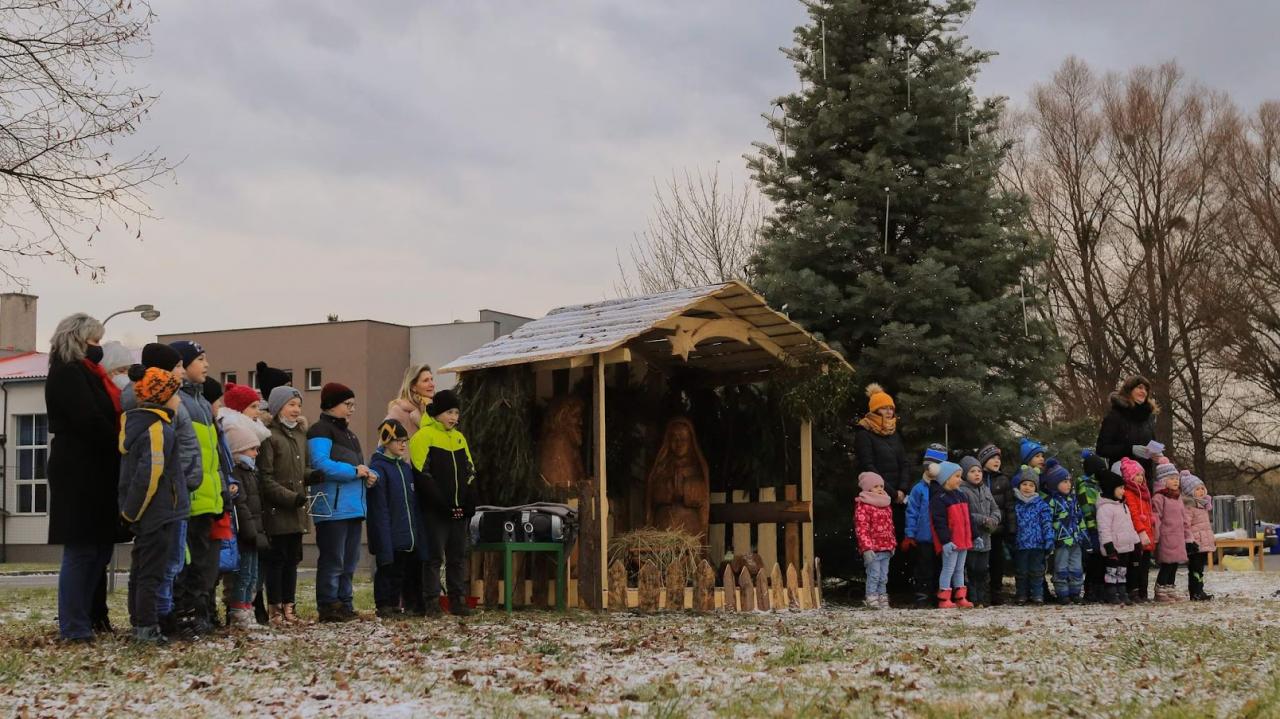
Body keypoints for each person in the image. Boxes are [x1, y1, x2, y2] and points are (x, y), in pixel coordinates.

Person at [46, 314, 124, 642]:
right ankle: (74, 626)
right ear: (77, 340)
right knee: (81, 549)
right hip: (78, 469)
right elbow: (88, 418)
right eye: (94, 341)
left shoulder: (90, 372)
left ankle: (89, 618)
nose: (98, 347)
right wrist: (121, 442)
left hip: (98, 467)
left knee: (99, 549)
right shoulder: (67, 372)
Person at [123, 343, 196, 637]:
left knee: (142, 571)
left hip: (154, 512)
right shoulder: (157, 430)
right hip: (158, 513)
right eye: (175, 395)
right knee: (151, 573)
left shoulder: (149, 425)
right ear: (162, 397)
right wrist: (132, 512)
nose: (179, 400)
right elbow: (149, 476)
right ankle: (146, 626)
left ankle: (140, 622)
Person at [168, 340, 227, 637]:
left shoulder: (202, 402)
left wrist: (222, 490)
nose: (206, 365)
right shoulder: (178, 401)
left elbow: (214, 455)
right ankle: (184, 616)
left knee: (203, 564)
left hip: (208, 497)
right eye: (200, 359)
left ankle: (201, 615)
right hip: (190, 496)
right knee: (187, 563)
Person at [308, 382, 375, 622]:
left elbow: (355, 467)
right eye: (347, 404)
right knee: (333, 559)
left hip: (352, 507)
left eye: (353, 404)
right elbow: (320, 463)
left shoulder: (350, 435)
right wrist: (354, 471)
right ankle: (328, 604)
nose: (352, 409)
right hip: (331, 507)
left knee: (349, 561)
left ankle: (345, 603)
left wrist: (367, 474)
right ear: (331, 404)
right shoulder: (320, 430)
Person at [409, 389, 476, 617]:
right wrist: (442, 504)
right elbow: (422, 475)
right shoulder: (423, 437)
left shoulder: (459, 438)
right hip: (435, 511)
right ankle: (431, 601)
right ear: (437, 412)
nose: (454, 417)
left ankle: (458, 600)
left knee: (457, 557)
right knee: (434, 557)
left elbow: (470, 471)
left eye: (456, 412)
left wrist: (467, 502)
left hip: (458, 510)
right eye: (449, 412)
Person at [852, 384, 912, 597]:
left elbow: (904, 462)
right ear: (875, 410)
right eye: (885, 408)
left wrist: (902, 489)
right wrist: (891, 492)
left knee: (894, 541)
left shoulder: (894, 433)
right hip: (877, 495)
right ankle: (874, 593)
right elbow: (868, 466)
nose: (889, 412)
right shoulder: (864, 433)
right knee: (877, 544)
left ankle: (894, 587)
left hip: (898, 496)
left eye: (891, 408)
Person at [258, 386, 312, 624]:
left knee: (292, 560)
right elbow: (266, 478)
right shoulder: (269, 436)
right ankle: (275, 608)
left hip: (297, 510)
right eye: (291, 405)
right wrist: (290, 497)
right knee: (277, 561)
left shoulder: (300, 434)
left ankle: (290, 606)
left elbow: (301, 470)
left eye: (298, 405)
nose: (296, 410)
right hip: (277, 510)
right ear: (278, 407)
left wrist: (312, 475)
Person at [368, 419, 429, 618]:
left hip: (408, 534)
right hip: (391, 533)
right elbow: (380, 509)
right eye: (398, 441)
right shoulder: (379, 469)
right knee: (388, 569)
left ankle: (403, 604)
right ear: (386, 442)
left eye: (405, 441)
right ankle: (385, 604)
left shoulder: (405, 468)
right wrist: (383, 538)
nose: (403, 445)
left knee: (405, 571)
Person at [222, 410, 271, 629]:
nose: (256, 453)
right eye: (252, 449)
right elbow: (242, 507)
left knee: (252, 575)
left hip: (254, 532)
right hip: (245, 534)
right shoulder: (238, 473)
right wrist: (252, 533)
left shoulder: (251, 472)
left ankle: (247, 608)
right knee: (243, 574)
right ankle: (238, 610)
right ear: (238, 450)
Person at [902, 445, 946, 608]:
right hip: (924, 537)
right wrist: (910, 534)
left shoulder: (945, 488)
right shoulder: (918, 489)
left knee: (940, 567)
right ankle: (922, 595)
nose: (932, 468)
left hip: (941, 537)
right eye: (929, 464)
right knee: (923, 567)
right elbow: (912, 512)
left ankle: (938, 595)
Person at [1096, 375, 1161, 486]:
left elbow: (1151, 441)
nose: (1143, 392)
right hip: (1123, 478)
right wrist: (1131, 449)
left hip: (1146, 479)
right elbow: (1101, 449)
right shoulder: (1115, 415)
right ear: (1129, 390)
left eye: (1146, 389)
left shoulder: (1148, 417)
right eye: (1140, 387)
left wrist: (1156, 453)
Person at [958, 456, 1000, 608]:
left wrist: (994, 519)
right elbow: (965, 513)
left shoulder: (986, 489)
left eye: (979, 471)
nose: (977, 474)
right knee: (972, 569)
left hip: (986, 538)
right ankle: (973, 597)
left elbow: (995, 509)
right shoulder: (962, 491)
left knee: (983, 570)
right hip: (971, 539)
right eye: (972, 471)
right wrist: (982, 519)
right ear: (965, 474)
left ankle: (982, 598)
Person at [930, 461, 974, 609]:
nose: (960, 479)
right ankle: (944, 598)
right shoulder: (940, 498)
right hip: (952, 542)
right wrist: (945, 541)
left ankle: (960, 597)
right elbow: (939, 522)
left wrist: (975, 535)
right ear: (946, 478)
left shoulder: (961, 495)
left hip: (964, 541)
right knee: (948, 568)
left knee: (960, 569)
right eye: (957, 476)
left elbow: (969, 518)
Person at [1096, 470, 1139, 605]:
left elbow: (1129, 526)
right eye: (1120, 488)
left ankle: (1121, 590)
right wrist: (1108, 545)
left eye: (1123, 488)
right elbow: (1104, 529)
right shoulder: (1105, 508)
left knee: (1122, 570)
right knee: (1112, 570)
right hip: (1113, 547)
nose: (1123, 491)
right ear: (1111, 488)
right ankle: (1111, 592)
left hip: (1125, 546)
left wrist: (1136, 541)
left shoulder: (1123, 506)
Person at [854, 471, 895, 610]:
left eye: (881, 486)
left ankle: (882, 596)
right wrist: (866, 548)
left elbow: (890, 526)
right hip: (873, 549)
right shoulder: (864, 505)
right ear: (868, 488)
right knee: (874, 574)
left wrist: (892, 544)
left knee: (883, 576)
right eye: (876, 486)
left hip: (886, 547)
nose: (880, 489)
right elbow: (862, 528)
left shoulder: (886, 504)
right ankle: (871, 597)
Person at [1011, 467, 1053, 605]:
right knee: (1021, 571)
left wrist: (1049, 539)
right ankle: (1021, 594)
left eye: (1031, 485)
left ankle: (1037, 594)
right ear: (1019, 486)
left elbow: (1047, 522)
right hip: (1021, 544)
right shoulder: (1016, 505)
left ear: (1036, 488)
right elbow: (1012, 523)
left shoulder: (1041, 505)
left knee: (1037, 571)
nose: (1027, 487)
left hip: (1037, 544)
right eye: (1024, 484)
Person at [977, 444, 1013, 605]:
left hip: (998, 529)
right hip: (981, 529)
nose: (997, 461)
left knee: (997, 562)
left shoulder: (1004, 480)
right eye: (993, 458)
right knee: (981, 563)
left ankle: (996, 591)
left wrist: (1011, 527)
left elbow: (1009, 506)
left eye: (998, 458)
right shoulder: (977, 477)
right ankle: (981, 592)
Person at [1150, 461, 1189, 603]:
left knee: (1174, 565)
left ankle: (1170, 589)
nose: (1176, 481)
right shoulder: (1159, 497)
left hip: (1178, 536)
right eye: (1172, 479)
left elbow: (1184, 518)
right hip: (1166, 536)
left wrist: (1188, 536)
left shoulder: (1177, 497)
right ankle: (1160, 590)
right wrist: (1156, 536)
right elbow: (1156, 517)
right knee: (1166, 565)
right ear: (1163, 481)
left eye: (1177, 479)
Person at [1047, 469, 1088, 604]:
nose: (1068, 484)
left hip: (1076, 540)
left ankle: (1075, 592)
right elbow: (1048, 521)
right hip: (1061, 541)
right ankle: (1062, 593)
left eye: (1069, 481)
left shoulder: (1073, 500)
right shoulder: (1052, 502)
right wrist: (1050, 539)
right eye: (1064, 482)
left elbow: (1080, 518)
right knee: (1061, 567)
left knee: (1076, 567)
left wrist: (1084, 536)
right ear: (1055, 484)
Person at [1118, 457, 1154, 603]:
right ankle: (1133, 590)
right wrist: (1141, 531)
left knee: (1145, 565)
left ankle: (1143, 592)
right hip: (1137, 534)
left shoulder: (1145, 492)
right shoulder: (1129, 493)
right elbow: (1134, 514)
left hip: (1147, 532)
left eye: (1141, 475)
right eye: (1136, 475)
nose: (1140, 478)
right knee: (1135, 565)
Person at [1179, 471, 1215, 601]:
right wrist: (1189, 541)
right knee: (1195, 568)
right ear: (1190, 492)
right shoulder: (1190, 506)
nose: (1201, 491)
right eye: (1197, 489)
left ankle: (1200, 590)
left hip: (1203, 543)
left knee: (1200, 569)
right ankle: (1195, 591)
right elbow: (1186, 525)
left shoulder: (1202, 505)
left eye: (1202, 488)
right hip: (1195, 544)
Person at [1077, 451, 1107, 602]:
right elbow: (1088, 508)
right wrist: (1093, 527)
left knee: (1101, 559)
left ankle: (1099, 588)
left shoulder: (1098, 485)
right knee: (1094, 559)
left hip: (1100, 527)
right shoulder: (1086, 485)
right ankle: (1090, 589)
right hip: (1092, 527)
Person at [386, 364, 436, 434]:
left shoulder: (436, 408)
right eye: (425, 380)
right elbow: (385, 438)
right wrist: (416, 413)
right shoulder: (399, 411)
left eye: (431, 379)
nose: (432, 384)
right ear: (413, 387)